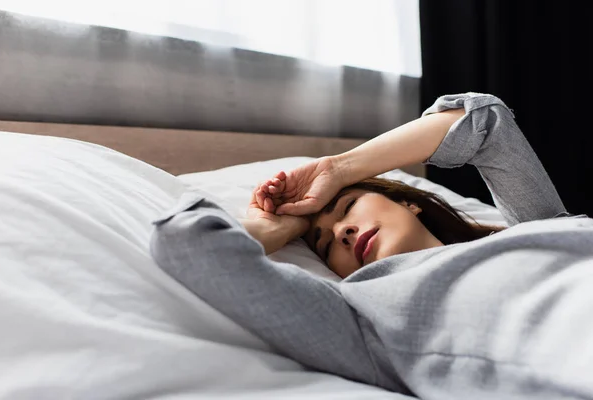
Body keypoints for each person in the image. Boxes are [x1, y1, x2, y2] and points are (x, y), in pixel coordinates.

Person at [150, 93, 593, 399]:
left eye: (348, 208)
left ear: (408, 202)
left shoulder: (531, 227)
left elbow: (484, 121)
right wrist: (272, 228)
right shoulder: (365, 318)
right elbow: (185, 242)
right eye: (324, 246)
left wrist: (338, 169)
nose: (341, 231)